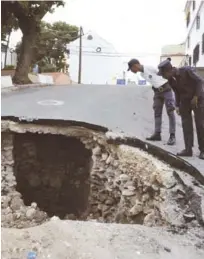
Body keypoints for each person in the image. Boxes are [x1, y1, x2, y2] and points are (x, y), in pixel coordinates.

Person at [158, 59, 204, 160]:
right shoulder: (170, 79)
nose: (163, 77)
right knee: (186, 124)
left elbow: (200, 81)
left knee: (200, 124)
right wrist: (177, 105)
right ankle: (188, 149)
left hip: (198, 99)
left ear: (168, 71)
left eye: (163, 74)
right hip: (185, 101)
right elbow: (176, 92)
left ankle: (203, 150)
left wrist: (196, 96)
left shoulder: (186, 70)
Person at [127, 58, 176, 145]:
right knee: (157, 112)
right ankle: (157, 134)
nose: (131, 71)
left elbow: (163, 74)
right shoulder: (142, 74)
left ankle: (172, 136)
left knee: (170, 111)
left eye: (131, 69)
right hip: (157, 92)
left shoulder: (149, 67)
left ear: (135, 66)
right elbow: (154, 81)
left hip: (166, 89)